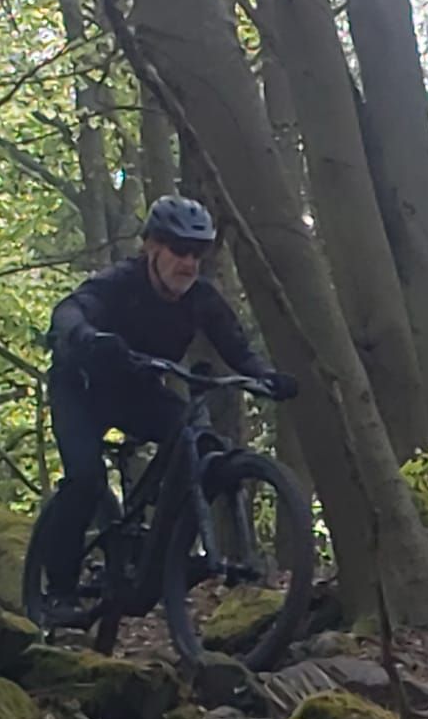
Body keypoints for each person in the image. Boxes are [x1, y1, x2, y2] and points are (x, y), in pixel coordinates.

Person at [40, 195, 297, 612]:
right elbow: (69, 311)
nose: (189, 263)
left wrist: (266, 377)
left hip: (135, 391)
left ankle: (167, 550)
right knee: (85, 480)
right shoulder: (121, 282)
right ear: (151, 247)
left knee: (199, 442)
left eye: (197, 253)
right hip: (81, 389)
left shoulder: (201, 298)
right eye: (179, 249)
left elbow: (237, 349)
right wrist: (88, 337)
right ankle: (58, 590)